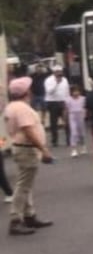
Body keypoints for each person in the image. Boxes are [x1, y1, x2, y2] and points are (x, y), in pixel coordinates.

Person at [3, 77, 54, 236]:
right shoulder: (22, 108)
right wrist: (43, 148)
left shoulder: (12, 106)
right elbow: (28, 130)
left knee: (26, 184)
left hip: (21, 147)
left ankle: (29, 215)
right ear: (26, 91)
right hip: (27, 148)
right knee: (23, 185)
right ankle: (16, 219)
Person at [44, 66, 70, 147]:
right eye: (57, 71)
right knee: (53, 123)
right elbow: (49, 91)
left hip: (63, 102)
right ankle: (54, 141)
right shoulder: (48, 80)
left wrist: (68, 101)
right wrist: (56, 83)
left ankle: (69, 139)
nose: (59, 73)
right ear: (54, 72)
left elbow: (67, 91)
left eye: (60, 71)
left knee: (66, 121)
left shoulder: (65, 79)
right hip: (52, 102)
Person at [66, 85, 87, 157]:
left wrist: (85, 115)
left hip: (80, 115)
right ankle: (74, 150)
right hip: (72, 115)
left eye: (77, 91)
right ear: (71, 92)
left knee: (81, 133)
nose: (76, 93)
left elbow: (85, 107)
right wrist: (65, 119)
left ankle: (83, 146)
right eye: (74, 91)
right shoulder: (68, 100)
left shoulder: (83, 99)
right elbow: (66, 109)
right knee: (74, 132)